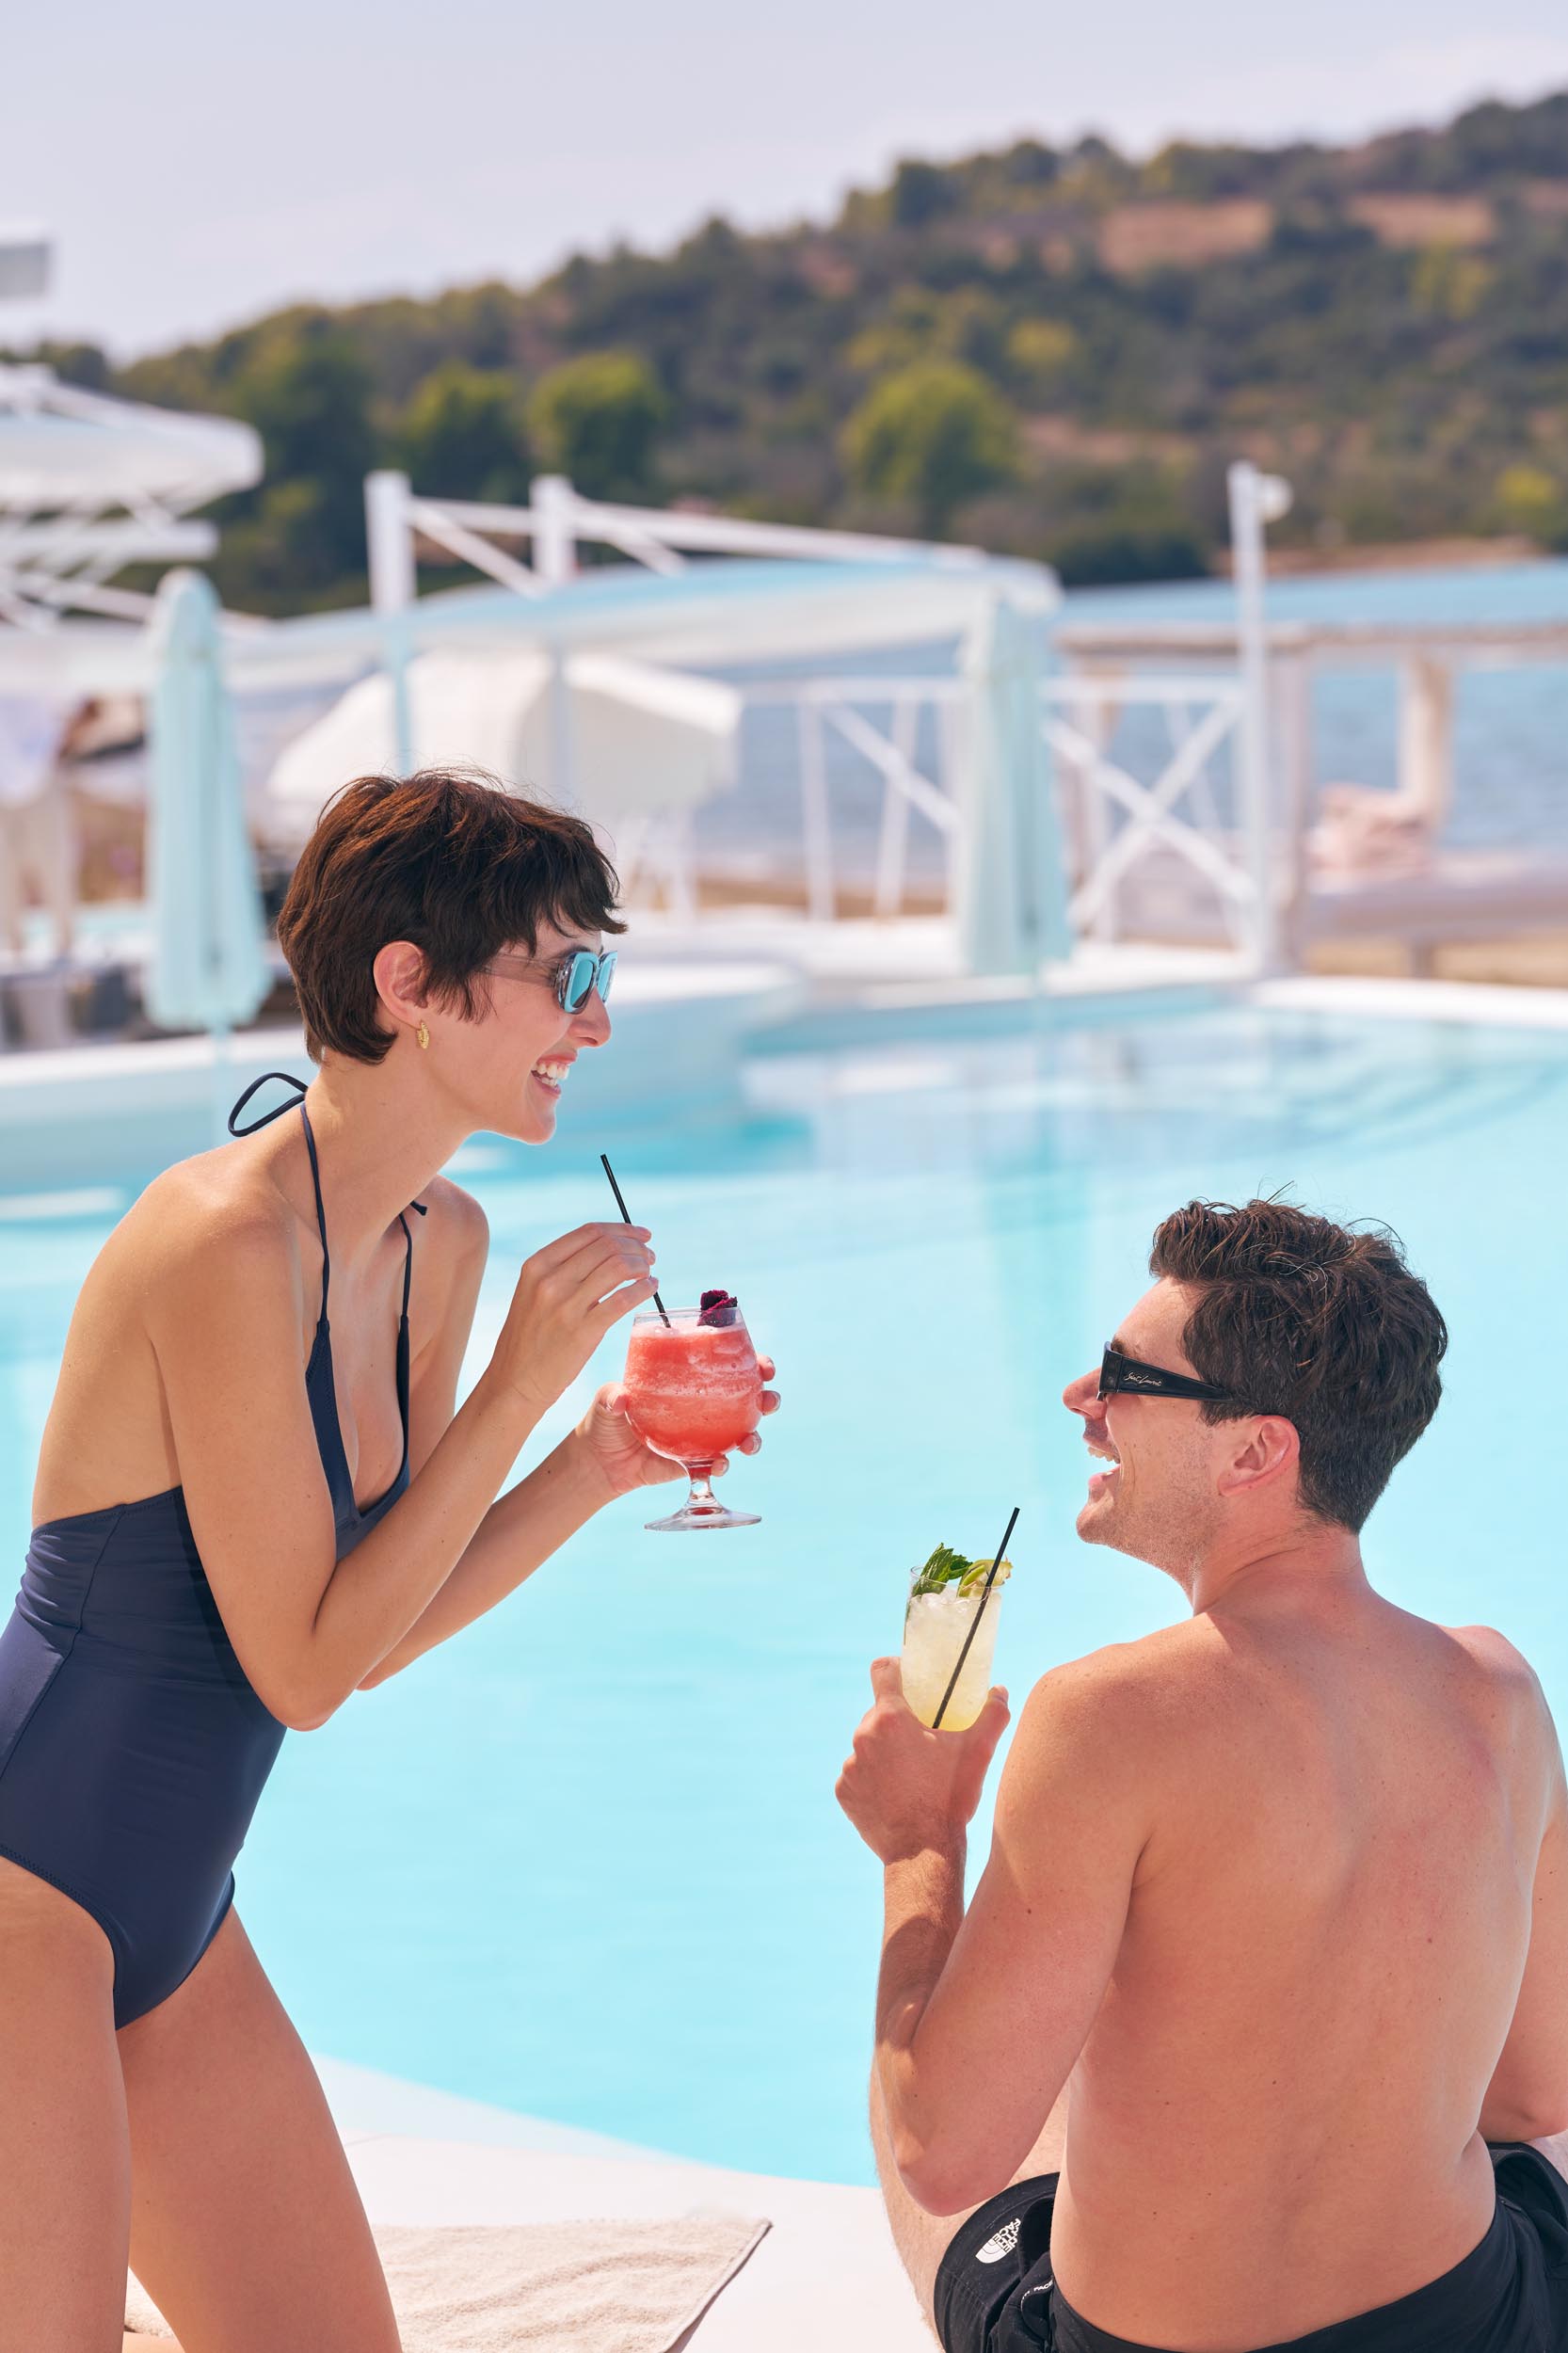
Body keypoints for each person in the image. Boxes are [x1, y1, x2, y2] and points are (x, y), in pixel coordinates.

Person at [0, 766, 779, 2353]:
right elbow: (298, 1674)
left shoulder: (445, 1241)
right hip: (25, 1893)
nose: (596, 1023)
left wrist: (588, 1466)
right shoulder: (221, 1241)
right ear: (408, 984)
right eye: (566, 976)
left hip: (174, 1912)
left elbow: (369, 1633)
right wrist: (517, 1389)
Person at [837, 1198, 1568, 2353]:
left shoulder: (1107, 1717)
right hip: (1480, 2320)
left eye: (1124, 1376)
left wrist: (919, 1838)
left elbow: (944, 2153)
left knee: (942, 2074)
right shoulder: (1503, 1692)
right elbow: (1532, 2098)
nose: (1081, 1399)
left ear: (1255, 1450)